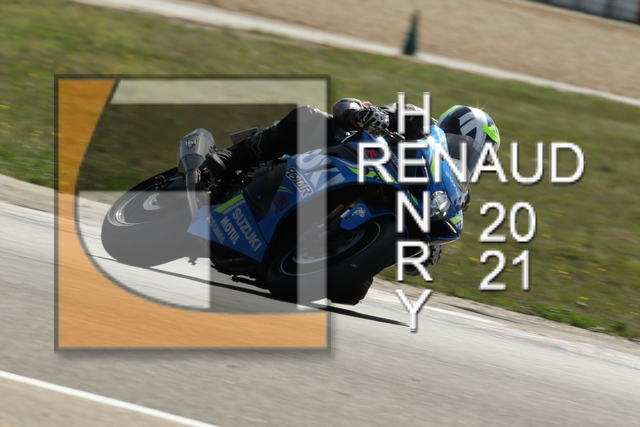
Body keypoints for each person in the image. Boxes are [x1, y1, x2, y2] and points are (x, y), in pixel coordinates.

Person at [204, 98, 500, 270]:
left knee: (352, 292)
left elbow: (434, 225)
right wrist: (363, 114)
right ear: (450, 130)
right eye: (466, 148)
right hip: (354, 159)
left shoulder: (457, 192)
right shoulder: (420, 123)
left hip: (386, 201)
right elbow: (350, 105)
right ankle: (230, 159)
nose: (467, 158)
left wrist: (425, 248)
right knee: (312, 119)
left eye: (476, 158)